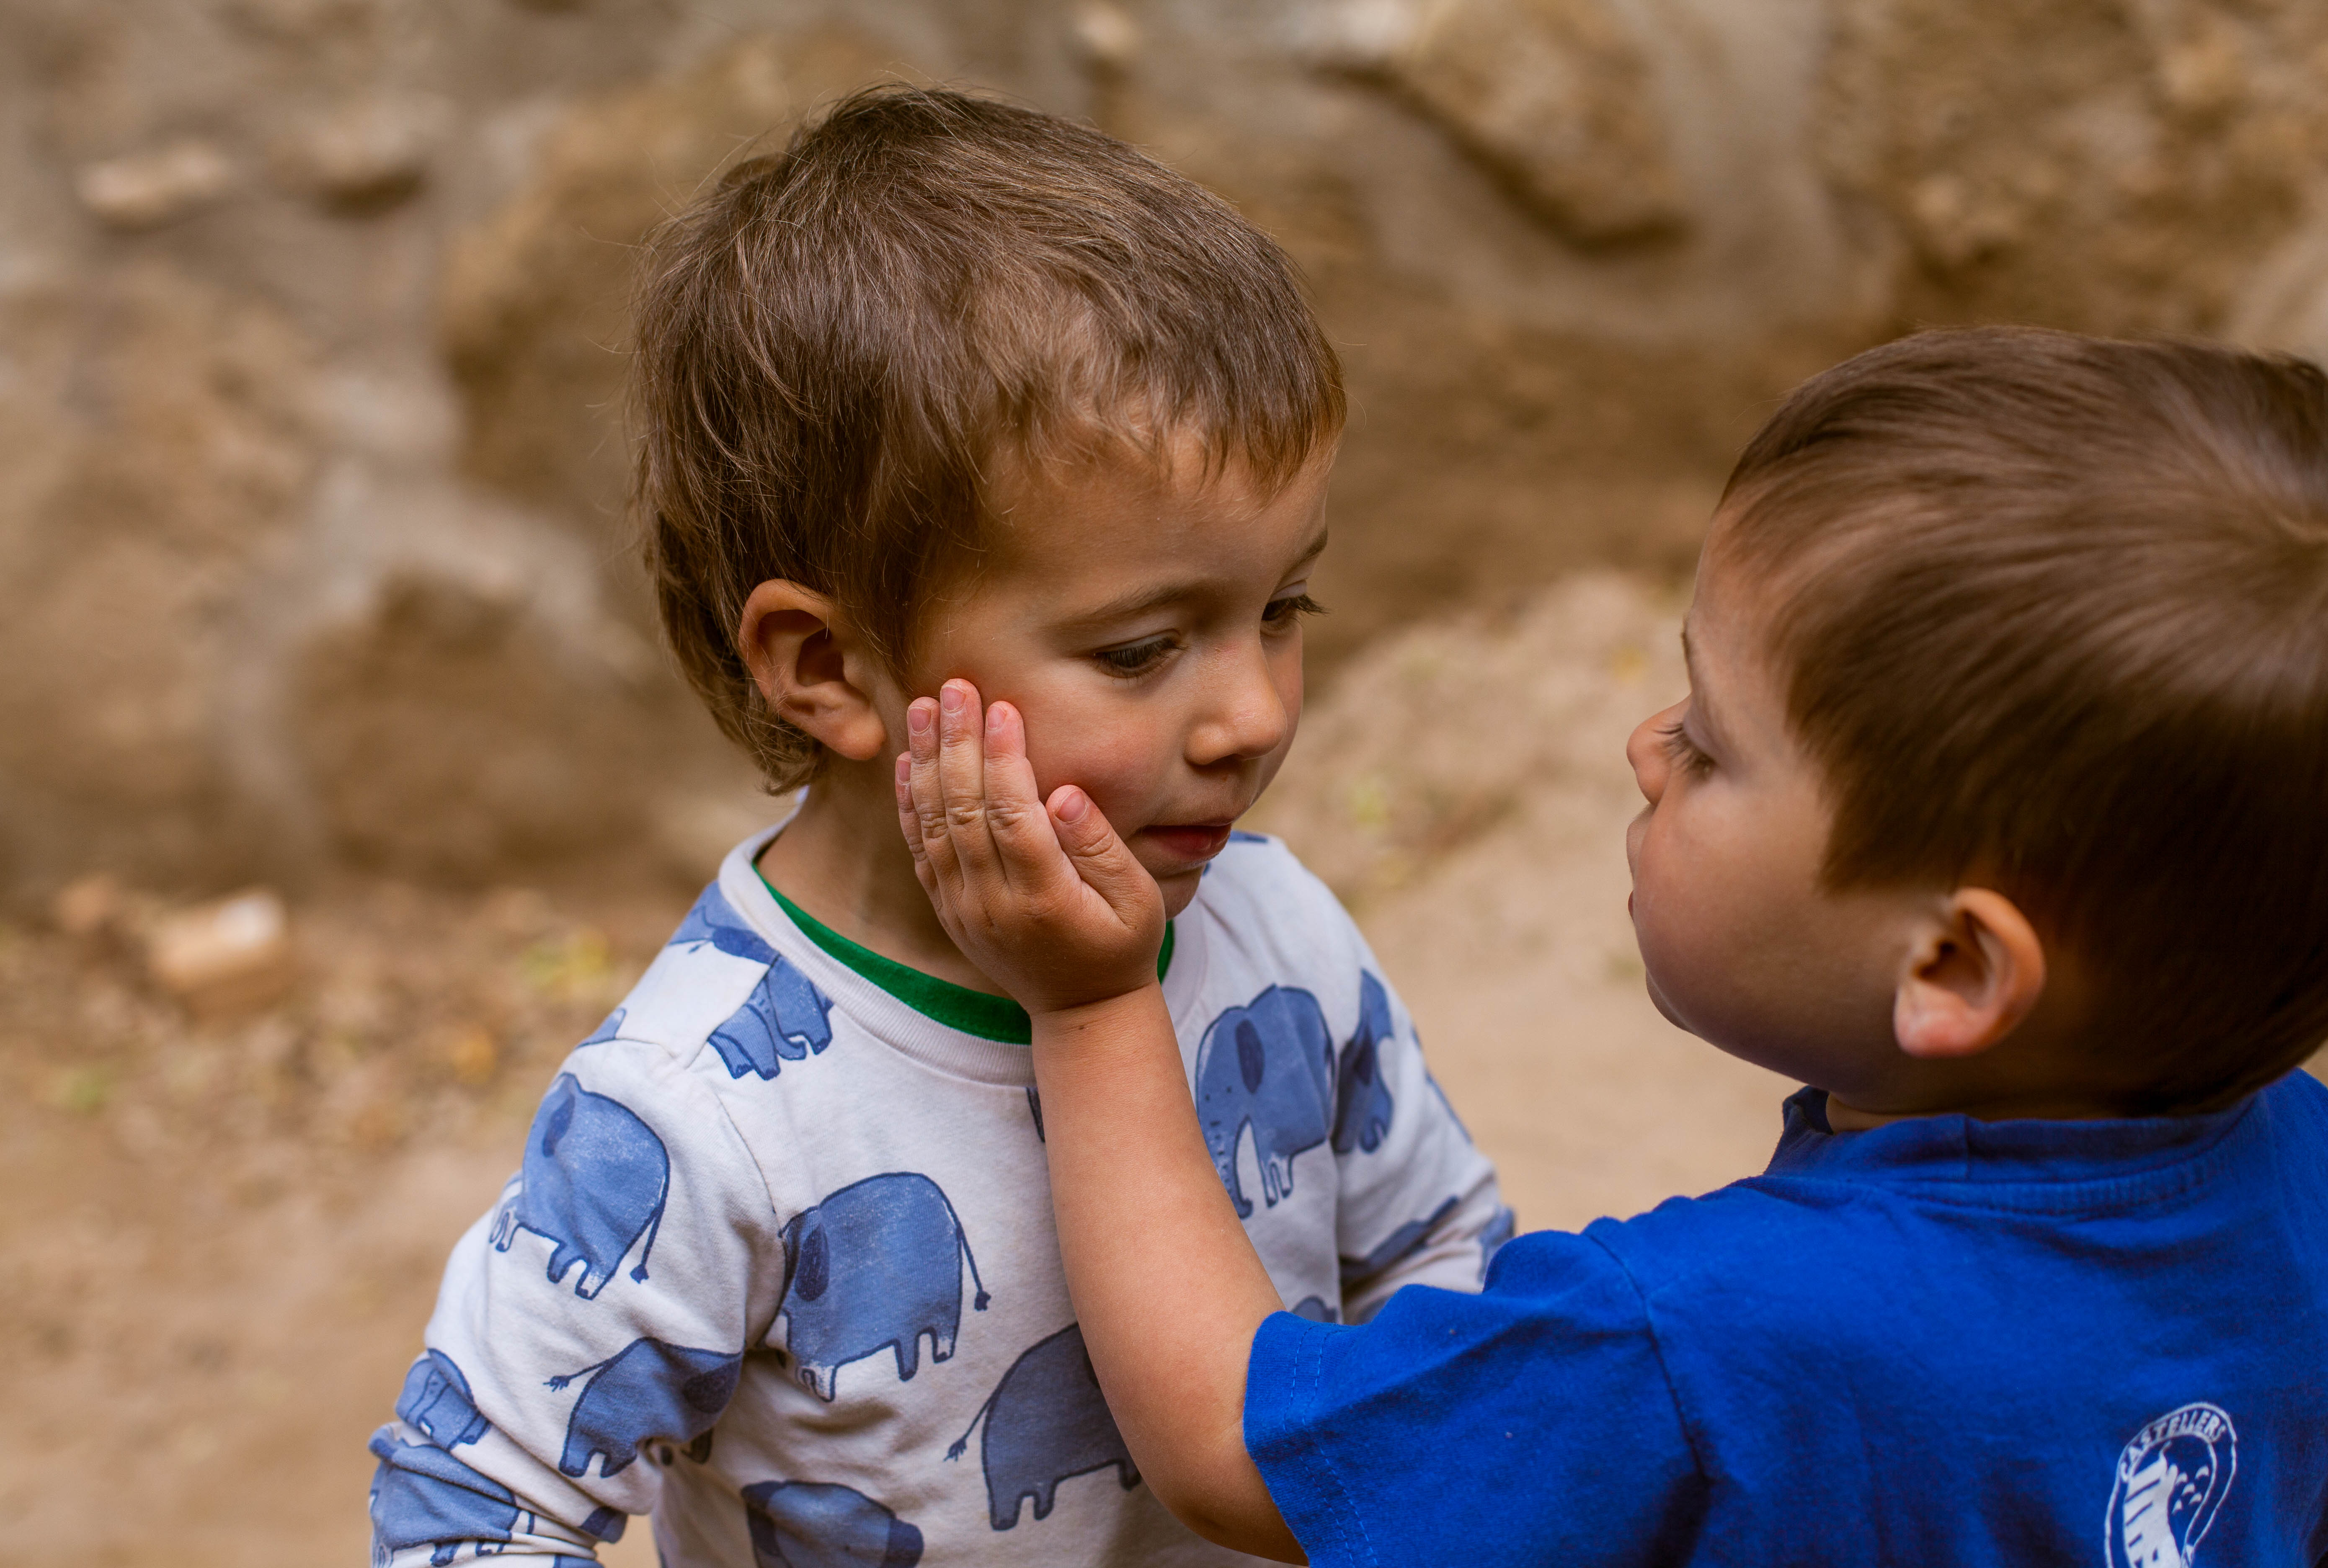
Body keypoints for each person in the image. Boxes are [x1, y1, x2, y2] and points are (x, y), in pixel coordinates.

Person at [896, 326, 2328, 1566]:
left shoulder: (1693, 1346)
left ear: (1954, 972)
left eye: (1714, 747)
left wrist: (1093, 1006)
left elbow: (1237, 1442)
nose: (1645, 745)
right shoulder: (2319, 1182)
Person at [365, 87, 1507, 1568]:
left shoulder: (1276, 932)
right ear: (830, 668)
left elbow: (1447, 1272)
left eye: (1282, 609)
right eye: (1143, 649)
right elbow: (473, 1498)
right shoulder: (702, 1111)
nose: (1255, 716)